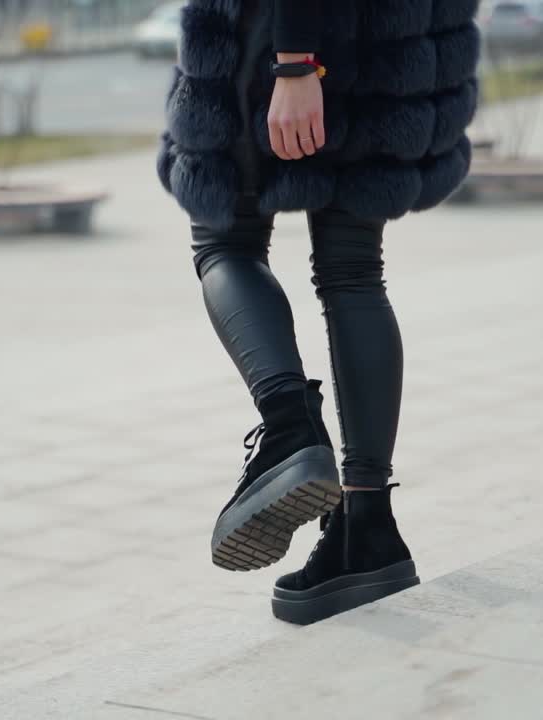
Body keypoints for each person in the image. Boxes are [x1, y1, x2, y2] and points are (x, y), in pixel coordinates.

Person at [157, 0, 480, 625]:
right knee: (353, 270)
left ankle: (288, 428)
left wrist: (296, 62)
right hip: (399, 40)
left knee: (225, 240)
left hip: (284, 36)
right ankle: (367, 530)